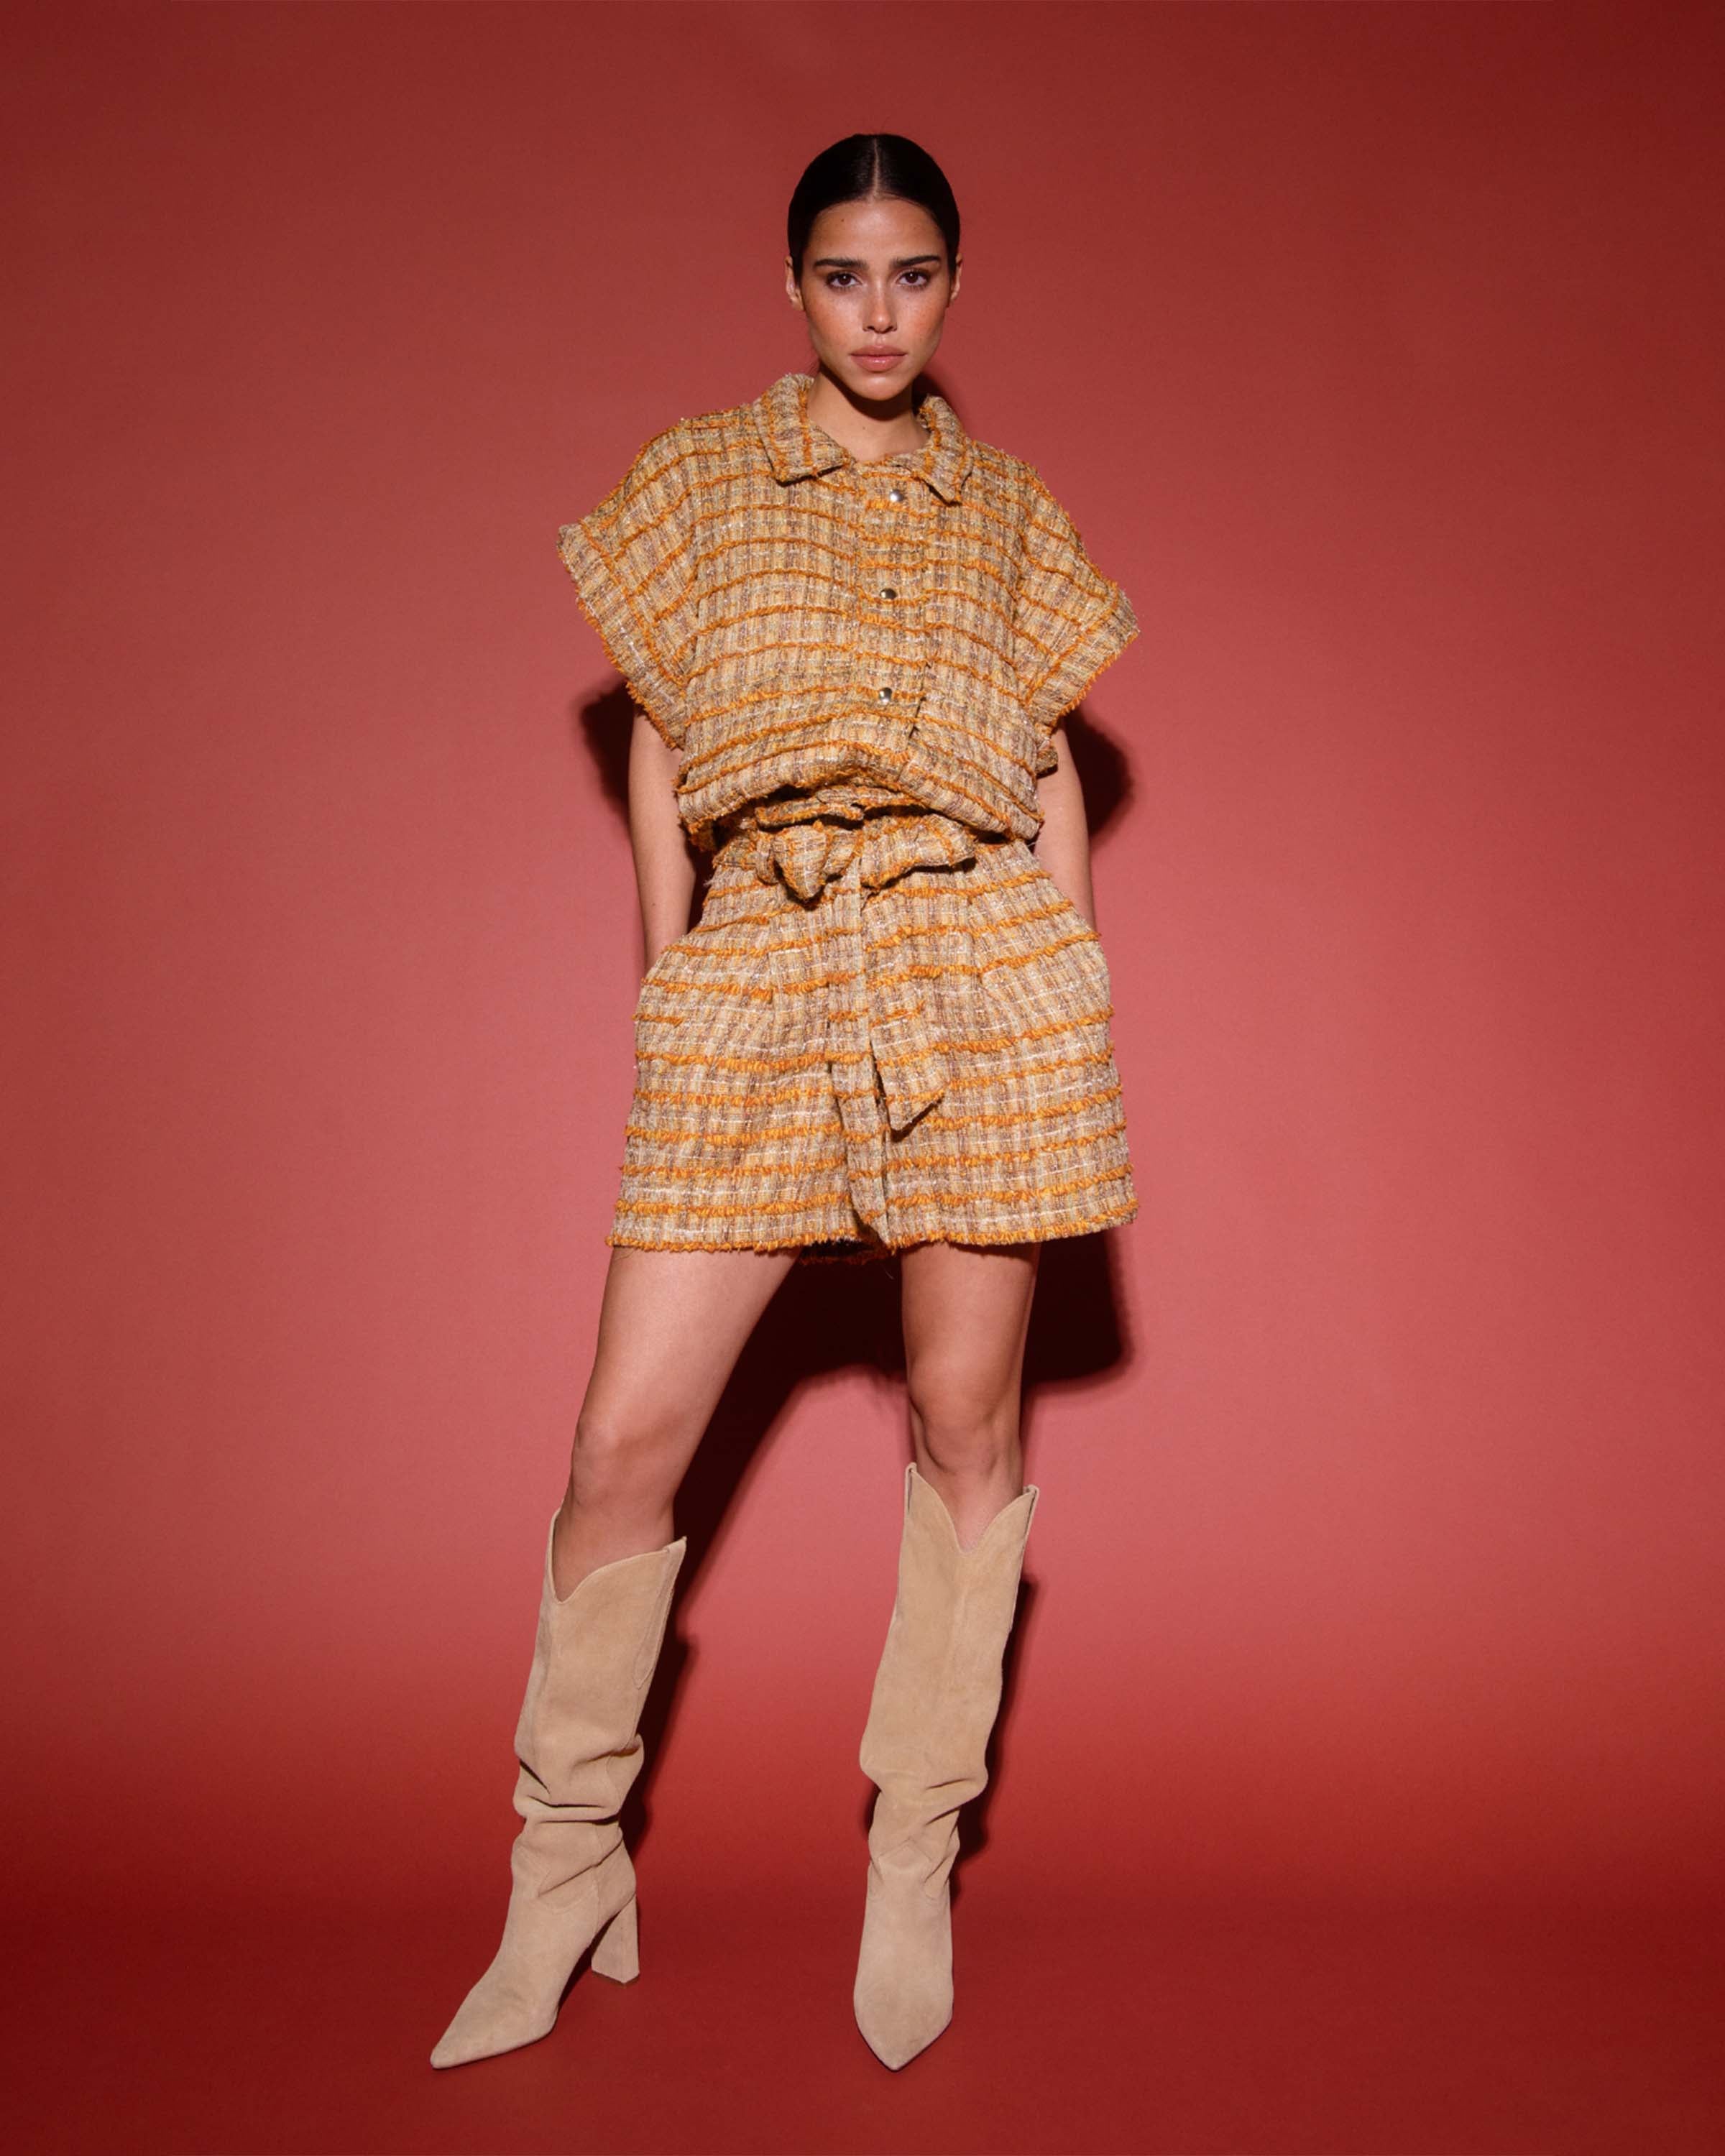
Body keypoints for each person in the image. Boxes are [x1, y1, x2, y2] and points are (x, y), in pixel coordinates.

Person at [431, 132, 1138, 2076]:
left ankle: (914, 1850)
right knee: (619, 1444)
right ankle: (565, 1862)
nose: (879, 312)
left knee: (965, 1425)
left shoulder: (1012, 512)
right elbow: (662, 740)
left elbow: (1050, 762)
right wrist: (669, 976)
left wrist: (1070, 983)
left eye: (912, 275)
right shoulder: (699, 481)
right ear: (796, 285)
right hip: (763, 957)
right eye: (844, 274)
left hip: (979, 970)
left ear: (954, 285)